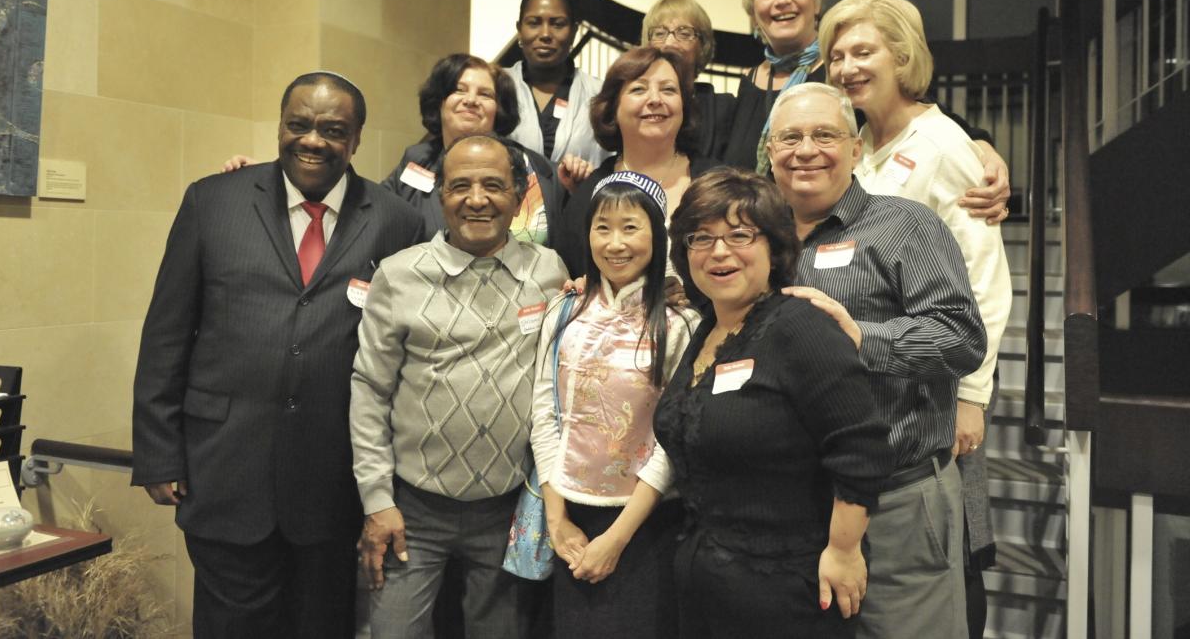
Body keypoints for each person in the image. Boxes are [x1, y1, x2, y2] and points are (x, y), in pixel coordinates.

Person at [132, 72, 425, 638]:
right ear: (280, 126)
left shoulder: (396, 221)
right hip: (224, 468)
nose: (313, 140)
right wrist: (158, 450)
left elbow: (402, 355)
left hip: (333, 483)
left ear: (357, 139)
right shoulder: (213, 200)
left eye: (333, 130)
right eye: (299, 125)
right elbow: (167, 331)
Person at [765, 82, 989, 639]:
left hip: (899, 502)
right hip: (792, 509)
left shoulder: (906, 227)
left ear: (857, 148)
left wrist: (860, 338)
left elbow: (961, 339)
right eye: (790, 137)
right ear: (770, 150)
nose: (806, 149)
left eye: (824, 135)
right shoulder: (755, 241)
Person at [820, 0, 1012, 638]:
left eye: (863, 52)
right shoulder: (856, 142)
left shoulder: (942, 142)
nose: (846, 67)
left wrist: (973, 395)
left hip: (928, 396)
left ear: (902, 57)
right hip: (859, 400)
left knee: (938, 571)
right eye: (837, 56)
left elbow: (983, 276)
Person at [653, 168, 894, 639]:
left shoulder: (799, 325)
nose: (719, 251)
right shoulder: (707, 329)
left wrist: (844, 551)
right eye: (700, 238)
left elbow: (861, 447)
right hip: (707, 583)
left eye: (740, 234)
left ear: (774, 248)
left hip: (787, 590)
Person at [351, 134, 568, 639]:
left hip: (506, 508)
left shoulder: (550, 272)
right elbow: (370, 391)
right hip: (412, 512)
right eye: (461, 186)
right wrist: (377, 500)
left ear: (518, 196)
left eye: (493, 185)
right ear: (440, 195)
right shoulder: (400, 275)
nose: (476, 199)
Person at [721, 0, 1011, 226]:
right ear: (752, 9)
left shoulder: (844, 78)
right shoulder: (750, 81)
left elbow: (921, 115)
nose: (782, 0)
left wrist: (983, 152)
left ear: (816, 1)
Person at [531, 172, 699, 639]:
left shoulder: (680, 321)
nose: (615, 243)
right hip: (570, 518)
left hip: (647, 524)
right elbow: (545, 414)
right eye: (602, 227)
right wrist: (557, 521)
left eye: (631, 227)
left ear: (658, 235)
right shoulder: (563, 311)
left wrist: (617, 538)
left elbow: (671, 438)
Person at [557, 46, 719, 281]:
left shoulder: (718, 182)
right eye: (638, 89)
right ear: (613, 108)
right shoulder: (589, 194)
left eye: (668, 90)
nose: (655, 99)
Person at [384, 53, 564, 248]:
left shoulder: (537, 169)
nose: (470, 100)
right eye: (459, 90)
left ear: (499, 108)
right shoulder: (416, 161)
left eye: (485, 94)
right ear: (440, 101)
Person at [507, 0, 607, 186]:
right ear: (519, 30)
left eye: (558, 24)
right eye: (534, 23)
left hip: (580, 211)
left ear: (574, 32)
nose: (545, 34)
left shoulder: (600, 94)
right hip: (511, 213)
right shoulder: (495, 88)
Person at [640, 0, 734, 159]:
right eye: (659, 34)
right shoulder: (635, 103)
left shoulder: (724, 108)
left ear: (702, 46)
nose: (669, 43)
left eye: (684, 34)